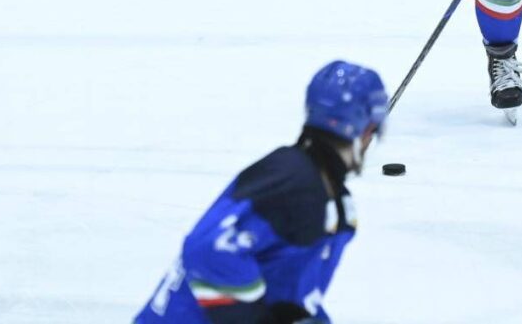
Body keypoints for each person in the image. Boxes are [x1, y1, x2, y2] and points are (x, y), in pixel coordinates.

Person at [133, 61, 389, 324]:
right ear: (366, 129)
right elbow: (206, 250)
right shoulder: (293, 182)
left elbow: (288, 295)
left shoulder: (325, 195)